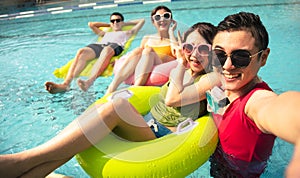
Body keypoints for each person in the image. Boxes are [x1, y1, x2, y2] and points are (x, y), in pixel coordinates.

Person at [0, 22, 218, 177]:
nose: (193, 54)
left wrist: (180, 62)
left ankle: (23, 159)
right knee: (88, 131)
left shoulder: (212, 77)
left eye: (202, 48)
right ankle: (32, 172)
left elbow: (171, 99)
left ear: (213, 51)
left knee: (117, 106)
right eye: (189, 47)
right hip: (146, 125)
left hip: (162, 138)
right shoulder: (186, 70)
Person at [208, 12, 300, 177]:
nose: (227, 66)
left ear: (263, 57)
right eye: (219, 55)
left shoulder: (255, 103)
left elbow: (281, 109)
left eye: (241, 57)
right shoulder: (223, 87)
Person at [44, 12, 145, 94]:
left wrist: (123, 24)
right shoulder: (105, 33)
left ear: (122, 22)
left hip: (114, 46)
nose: (115, 22)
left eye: (117, 20)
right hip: (100, 45)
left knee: (106, 51)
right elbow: (91, 24)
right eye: (112, 21)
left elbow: (141, 21)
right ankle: (65, 84)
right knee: (81, 51)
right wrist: (110, 25)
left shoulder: (127, 32)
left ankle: (89, 82)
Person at [105, 5, 178, 94]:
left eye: (166, 16)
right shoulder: (147, 38)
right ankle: (112, 87)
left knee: (148, 50)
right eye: (157, 17)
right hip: (146, 68)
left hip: (162, 69)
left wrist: (171, 33)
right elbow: (137, 58)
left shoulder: (176, 40)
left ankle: (136, 89)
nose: (162, 20)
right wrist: (119, 62)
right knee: (138, 50)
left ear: (171, 20)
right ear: (153, 21)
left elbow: (179, 56)